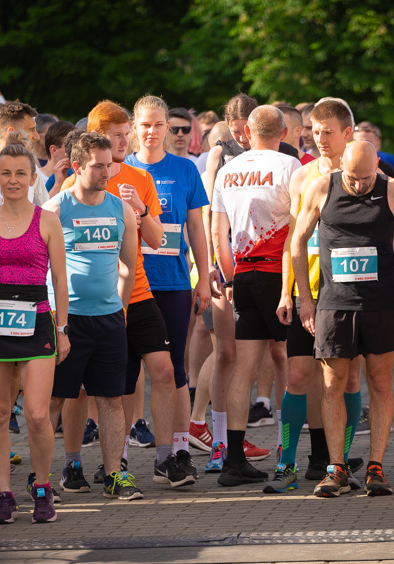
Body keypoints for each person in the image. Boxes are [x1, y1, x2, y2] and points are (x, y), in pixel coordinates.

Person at [61, 101, 190, 489]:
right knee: (87, 387)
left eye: (124, 134)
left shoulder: (139, 178)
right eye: (116, 136)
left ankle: (166, 458)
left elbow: (156, 239)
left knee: (165, 371)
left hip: (138, 293)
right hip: (89, 305)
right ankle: (78, 464)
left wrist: (142, 207)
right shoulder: (75, 184)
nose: (124, 141)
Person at [292, 141, 394, 497]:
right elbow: (297, 242)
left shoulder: (392, 190)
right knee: (333, 383)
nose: (360, 184)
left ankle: (376, 467)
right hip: (335, 303)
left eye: (366, 178)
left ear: (375, 171)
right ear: (342, 168)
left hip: (380, 303)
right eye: (353, 177)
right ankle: (335, 468)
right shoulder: (323, 186)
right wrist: (306, 299)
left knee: (380, 384)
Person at [0, 133, 70, 524]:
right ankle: (3, 493)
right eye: (5, 173)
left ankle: (41, 486)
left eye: (21, 173)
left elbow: (60, 278)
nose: (13, 180)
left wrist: (63, 327)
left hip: (37, 321)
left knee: (38, 414)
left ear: (32, 177)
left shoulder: (48, 222)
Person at [268, 98, 365, 494]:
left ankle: (338, 463)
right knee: (297, 375)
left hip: (348, 292)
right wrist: (287, 292)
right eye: (314, 130)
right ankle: (286, 465)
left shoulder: (364, 174)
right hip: (307, 289)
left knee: (349, 377)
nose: (319, 138)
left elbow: (393, 226)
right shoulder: (302, 175)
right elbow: (294, 238)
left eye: (327, 131)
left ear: (347, 133)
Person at [43, 132, 141, 500]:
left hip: (110, 320)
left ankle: (115, 476)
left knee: (111, 399)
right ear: (79, 166)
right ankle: (41, 479)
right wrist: (57, 322)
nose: (107, 171)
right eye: (98, 165)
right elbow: (42, 272)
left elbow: (129, 268)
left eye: (109, 164)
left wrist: (120, 309)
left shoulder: (121, 209)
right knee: (54, 400)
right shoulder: (56, 209)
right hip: (67, 321)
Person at [211, 105, 301, 486]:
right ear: (283, 132)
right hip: (280, 274)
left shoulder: (228, 170)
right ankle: (294, 453)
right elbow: (299, 227)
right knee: (291, 361)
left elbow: (218, 232)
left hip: (243, 272)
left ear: (246, 132)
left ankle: (232, 459)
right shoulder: (289, 167)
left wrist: (231, 280)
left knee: (244, 367)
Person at [126, 95, 212, 482]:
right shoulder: (120, 169)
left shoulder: (186, 169)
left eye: (158, 124)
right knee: (126, 373)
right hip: (129, 284)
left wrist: (205, 277)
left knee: (174, 370)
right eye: (145, 124)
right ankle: (120, 455)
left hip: (174, 281)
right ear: (134, 127)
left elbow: (197, 227)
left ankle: (177, 451)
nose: (152, 131)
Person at [0, 101, 48, 206]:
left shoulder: (31, 167)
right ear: (10, 131)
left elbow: (44, 208)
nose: (36, 137)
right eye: (31, 130)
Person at [41, 121, 78, 196]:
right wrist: (58, 184)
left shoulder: (76, 174)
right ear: (53, 150)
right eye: (69, 147)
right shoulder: (34, 178)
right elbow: (39, 207)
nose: (75, 152)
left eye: (77, 147)